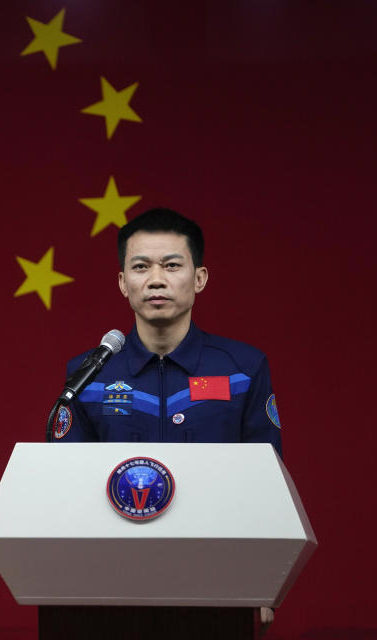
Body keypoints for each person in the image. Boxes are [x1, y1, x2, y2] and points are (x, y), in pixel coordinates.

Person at [53, 207, 281, 629]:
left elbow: (267, 482)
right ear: (123, 283)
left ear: (199, 278)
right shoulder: (89, 373)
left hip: (216, 582)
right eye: (140, 267)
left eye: (172, 265)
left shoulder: (242, 369)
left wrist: (263, 581)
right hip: (107, 587)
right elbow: (63, 487)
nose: (156, 279)